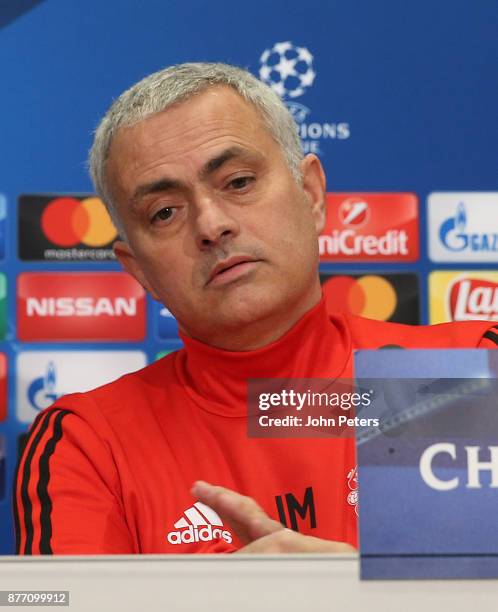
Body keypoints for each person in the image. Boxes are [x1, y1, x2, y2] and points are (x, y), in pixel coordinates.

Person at [14, 63, 498, 555]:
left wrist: (353, 593)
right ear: (138, 269)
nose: (211, 224)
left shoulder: (470, 368)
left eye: (238, 182)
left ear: (310, 194)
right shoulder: (89, 444)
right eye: (164, 212)